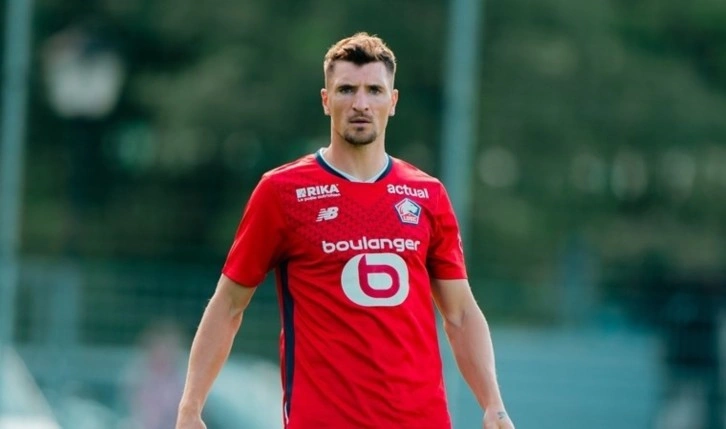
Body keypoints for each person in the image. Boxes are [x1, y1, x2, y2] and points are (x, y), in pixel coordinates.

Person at [176, 32, 515, 429]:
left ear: (393, 101)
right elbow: (228, 305)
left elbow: (460, 314)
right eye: (346, 89)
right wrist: (190, 407)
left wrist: (493, 403)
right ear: (326, 100)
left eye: (374, 90)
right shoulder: (282, 192)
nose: (360, 104)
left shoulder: (427, 195)